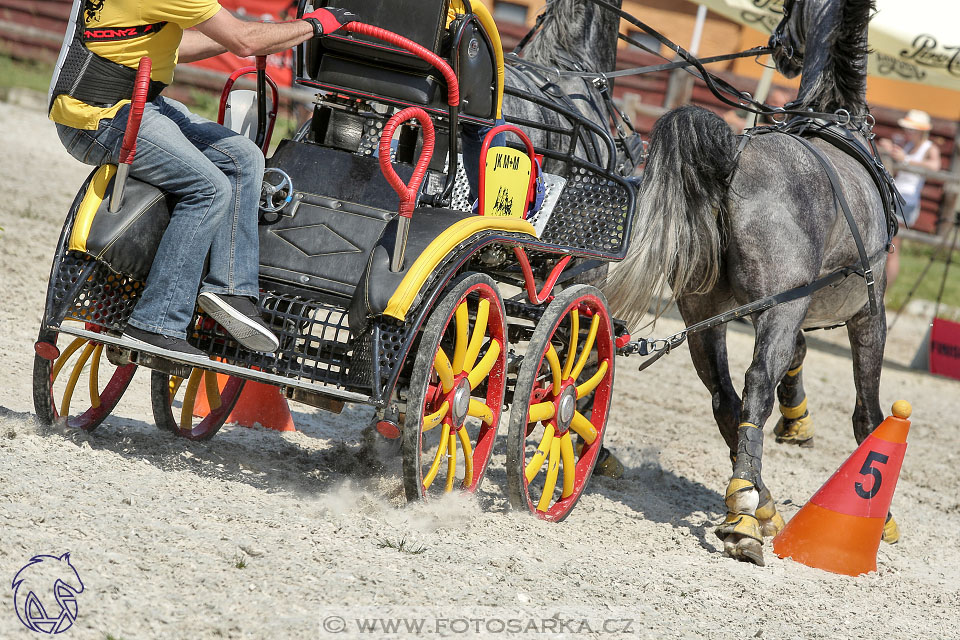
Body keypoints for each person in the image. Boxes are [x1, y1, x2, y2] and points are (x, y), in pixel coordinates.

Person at [49, 0, 358, 355]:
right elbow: (246, 42)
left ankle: (230, 289)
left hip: (132, 100)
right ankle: (155, 321)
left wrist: (236, 36)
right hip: (99, 115)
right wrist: (317, 24)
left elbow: (183, 45)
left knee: (243, 158)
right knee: (210, 188)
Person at [877, 109, 941, 288]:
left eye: (911, 129)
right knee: (885, 246)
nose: (908, 132)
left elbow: (935, 166)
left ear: (921, 131)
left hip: (907, 202)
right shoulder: (907, 145)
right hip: (896, 196)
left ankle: (884, 291)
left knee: (892, 249)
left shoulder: (929, 147)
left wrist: (906, 160)